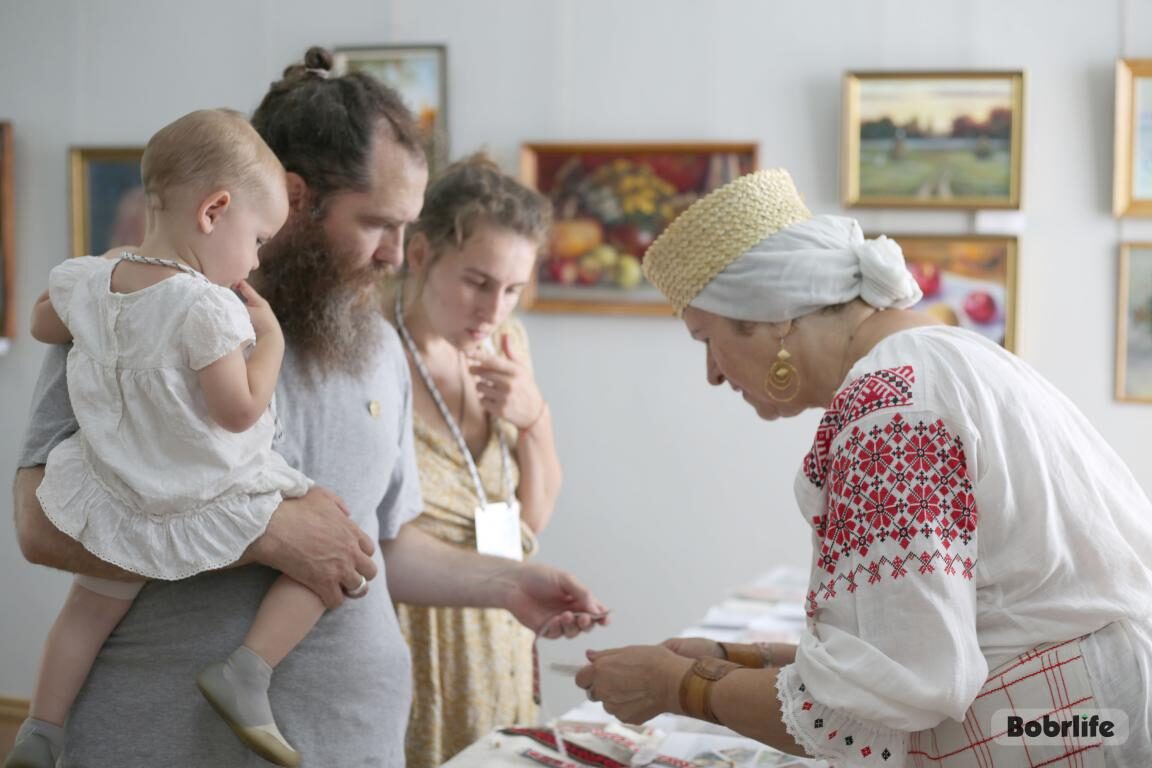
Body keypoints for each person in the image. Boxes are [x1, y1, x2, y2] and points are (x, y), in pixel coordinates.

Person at [11, 46, 606, 767]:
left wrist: (507, 584)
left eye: (408, 227)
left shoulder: (376, 343)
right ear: (294, 199)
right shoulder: (130, 310)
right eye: (377, 223)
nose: (396, 255)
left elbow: (378, 548)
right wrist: (262, 533)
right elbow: (40, 523)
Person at [575, 168, 1152, 767]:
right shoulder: (945, 357)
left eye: (706, 339)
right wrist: (731, 659)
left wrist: (677, 685)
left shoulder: (891, 406)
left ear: (770, 318)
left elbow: (876, 707)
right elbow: (919, 643)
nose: (714, 374)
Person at [5, 107, 332, 768]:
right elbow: (238, 411)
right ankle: (247, 671)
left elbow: (45, 323)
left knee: (87, 612)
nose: (258, 258)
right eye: (260, 237)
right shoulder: (207, 307)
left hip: (116, 489)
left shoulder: (89, 280)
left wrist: (103, 282)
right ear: (214, 211)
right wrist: (270, 339)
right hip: (204, 487)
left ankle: (41, 728)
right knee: (330, 556)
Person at [385, 154, 564, 768]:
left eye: (513, 289)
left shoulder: (509, 345)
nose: (494, 310)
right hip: (411, 640)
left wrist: (533, 417)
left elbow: (529, 524)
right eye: (477, 282)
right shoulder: (371, 354)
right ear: (419, 256)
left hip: (499, 633)